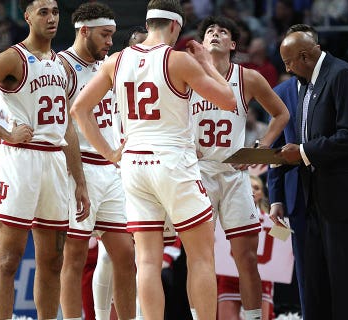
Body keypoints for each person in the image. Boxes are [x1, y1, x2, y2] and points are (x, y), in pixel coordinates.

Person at [70, 1, 237, 319]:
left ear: (148, 25)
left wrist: (109, 154)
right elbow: (228, 101)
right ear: (175, 27)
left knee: (146, 261)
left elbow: (79, 109)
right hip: (173, 163)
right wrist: (205, 63)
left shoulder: (116, 61)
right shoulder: (179, 61)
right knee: (201, 257)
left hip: (133, 165)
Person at [0, 1, 89, 318]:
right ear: (27, 16)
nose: (52, 17)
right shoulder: (11, 58)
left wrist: (79, 181)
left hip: (55, 163)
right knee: (9, 258)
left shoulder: (64, 65)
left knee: (53, 260)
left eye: (55, 11)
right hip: (21, 161)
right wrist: (5, 133)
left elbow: (67, 127)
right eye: (43, 12)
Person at [276, 26, 348, 319]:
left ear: (305, 56)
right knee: (320, 283)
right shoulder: (309, 82)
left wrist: (301, 152)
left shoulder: (342, 75)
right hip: (318, 197)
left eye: (288, 61)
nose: (286, 68)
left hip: (346, 200)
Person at [191, 15, 289, 320]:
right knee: (199, 258)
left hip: (235, 174)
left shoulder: (247, 77)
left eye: (222, 32)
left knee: (245, 257)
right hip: (199, 172)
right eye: (209, 31)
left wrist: (260, 149)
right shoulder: (185, 72)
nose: (215, 34)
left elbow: (281, 114)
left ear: (233, 44)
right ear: (202, 42)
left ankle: (253, 317)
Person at [56, 3, 136, 320]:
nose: (109, 42)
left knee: (125, 255)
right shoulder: (61, 66)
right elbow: (60, 128)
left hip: (111, 170)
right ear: (84, 30)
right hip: (80, 168)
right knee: (74, 257)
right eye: (105, 35)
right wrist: (76, 179)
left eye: (113, 36)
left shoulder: (112, 66)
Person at [268, 23, 318, 318]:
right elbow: (276, 149)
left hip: (334, 186)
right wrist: (275, 198)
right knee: (306, 267)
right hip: (295, 189)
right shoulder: (280, 92)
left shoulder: (335, 82)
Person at [217, 175, 277, 320]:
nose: (252, 190)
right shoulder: (224, 215)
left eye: (256, 188)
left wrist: (284, 228)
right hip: (229, 277)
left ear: (261, 193)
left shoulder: (271, 220)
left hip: (262, 279)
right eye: (249, 185)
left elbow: (285, 243)